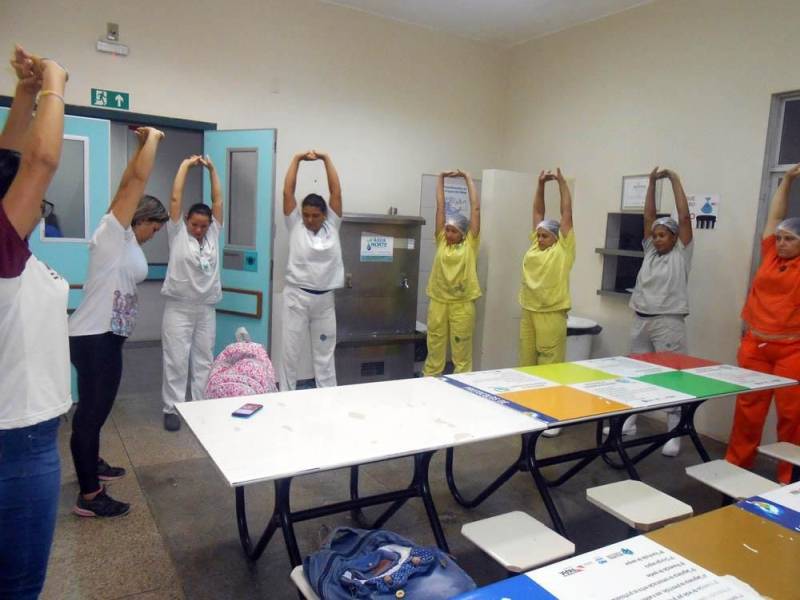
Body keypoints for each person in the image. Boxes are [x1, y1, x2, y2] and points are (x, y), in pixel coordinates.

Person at [68, 126, 167, 517]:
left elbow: (129, 182)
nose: (153, 235)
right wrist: (154, 141)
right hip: (96, 337)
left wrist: (141, 147)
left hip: (105, 336)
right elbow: (135, 183)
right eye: (154, 228)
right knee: (91, 414)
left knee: (96, 411)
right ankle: (89, 496)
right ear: (140, 218)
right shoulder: (113, 233)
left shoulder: (123, 238)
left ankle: (92, 467)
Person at [0, 46, 70, 598]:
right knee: (20, 587)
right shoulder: (1, 245)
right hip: (16, 441)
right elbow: (38, 162)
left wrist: (23, 94)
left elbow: (11, 160)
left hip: (21, 431)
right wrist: (53, 82)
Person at [726, 164, 800, 482]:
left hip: (792, 351)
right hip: (755, 345)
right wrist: (785, 181)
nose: (781, 242)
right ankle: (737, 463)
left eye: (789, 239)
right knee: (747, 409)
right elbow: (773, 218)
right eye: (780, 238)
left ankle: (789, 475)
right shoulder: (771, 255)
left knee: (792, 416)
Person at [625, 167, 693, 456]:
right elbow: (648, 218)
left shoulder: (681, 251)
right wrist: (651, 182)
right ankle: (629, 421)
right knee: (635, 372)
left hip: (668, 321)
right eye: (654, 235)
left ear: (675, 237)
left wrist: (675, 179)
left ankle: (674, 433)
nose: (656, 239)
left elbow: (685, 216)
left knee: (671, 377)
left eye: (663, 235)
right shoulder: (650, 251)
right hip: (641, 318)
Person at [161, 155, 223, 431]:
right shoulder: (177, 233)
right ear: (186, 220)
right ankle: (172, 408)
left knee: (203, 359)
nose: (198, 230)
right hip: (178, 307)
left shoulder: (213, 235)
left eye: (204, 225)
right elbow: (174, 199)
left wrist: (211, 169)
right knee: (176, 359)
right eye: (194, 224)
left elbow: (218, 201)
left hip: (206, 308)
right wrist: (185, 165)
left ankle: (200, 406)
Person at [517, 168, 575, 436]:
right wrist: (540, 184)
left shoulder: (562, 249)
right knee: (528, 364)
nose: (540, 239)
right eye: (538, 235)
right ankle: (530, 412)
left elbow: (565, 215)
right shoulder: (534, 246)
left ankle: (553, 418)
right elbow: (537, 213)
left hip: (551, 312)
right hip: (529, 309)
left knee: (550, 367)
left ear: (556, 237)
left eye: (545, 236)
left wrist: (561, 184)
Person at [279, 150, 343, 390]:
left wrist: (326, 159)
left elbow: (336, 192)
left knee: (325, 356)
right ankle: (286, 397)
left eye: (315, 215)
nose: (310, 219)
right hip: (297, 297)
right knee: (290, 355)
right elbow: (288, 192)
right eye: (306, 215)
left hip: (325, 300)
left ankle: (327, 399)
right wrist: (296, 159)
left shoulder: (333, 225)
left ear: (324, 215)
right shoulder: (295, 224)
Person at [422, 170, 481, 376]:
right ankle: (429, 382)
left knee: (461, 352)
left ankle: (462, 386)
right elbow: (440, 208)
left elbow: (475, 208)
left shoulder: (470, 244)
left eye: (453, 231)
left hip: (462, 304)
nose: (448, 234)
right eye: (447, 229)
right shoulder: (441, 242)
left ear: (463, 233)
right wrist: (441, 178)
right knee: (435, 348)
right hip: (438, 301)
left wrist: (467, 177)